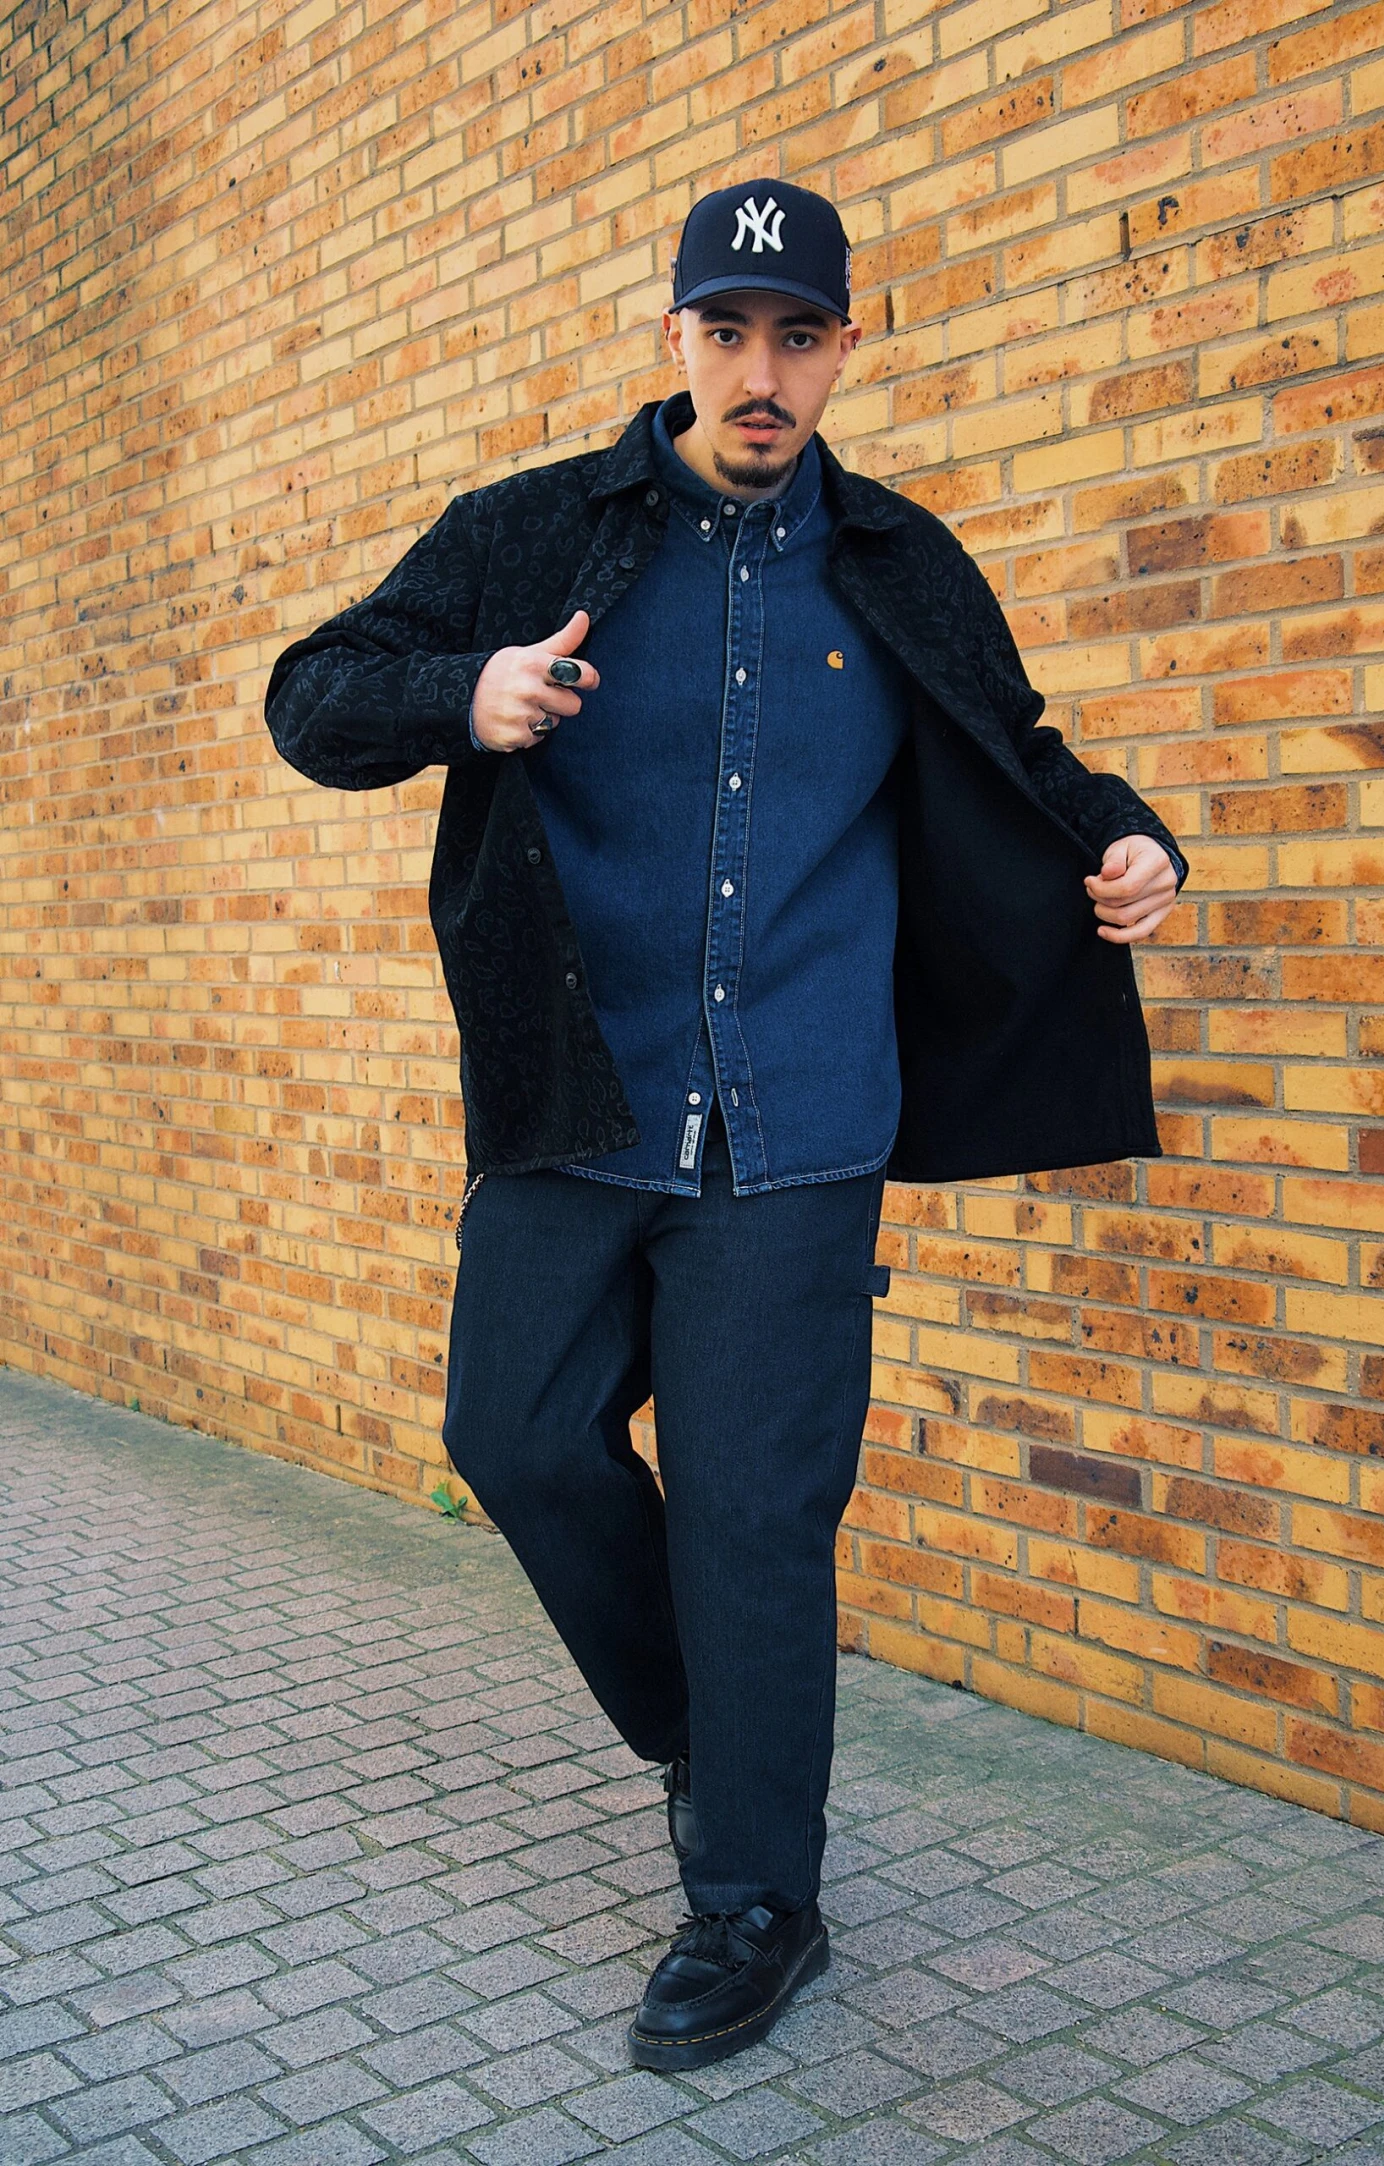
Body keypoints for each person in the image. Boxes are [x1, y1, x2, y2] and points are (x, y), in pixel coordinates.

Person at [263, 177, 1186, 2073]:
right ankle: (716, 1721)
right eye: (729, 331)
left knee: (759, 1516)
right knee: (512, 1433)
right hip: (574, 1102)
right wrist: (465, 692)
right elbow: (311, 695)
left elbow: (1017, 747)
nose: (763, 373)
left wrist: (1125, 832)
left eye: (800, 336)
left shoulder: (902, 562)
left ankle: (760, 1895)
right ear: (677, 337)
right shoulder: (534, 533)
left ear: (844, 347)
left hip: (803, 1120)